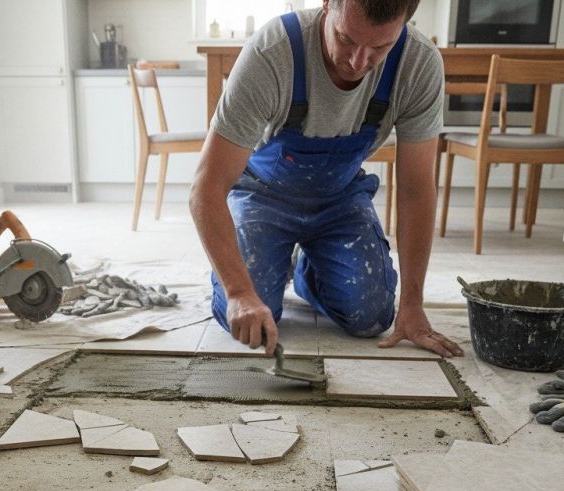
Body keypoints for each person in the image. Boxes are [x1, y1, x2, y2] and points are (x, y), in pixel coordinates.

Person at [190, 0, 463, 359]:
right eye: (345, 38)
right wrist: (240, 293)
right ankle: (270, 260)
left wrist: (412, 303)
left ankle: (310, 271)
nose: (358, 62)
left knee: (372, 316)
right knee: (251, 318)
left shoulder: (418, 63)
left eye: (380, 47)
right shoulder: (274, 52)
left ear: (405, 23)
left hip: (340, 198)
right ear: (326, 5)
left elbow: (415, 190)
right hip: (263, 195)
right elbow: (205, 189)